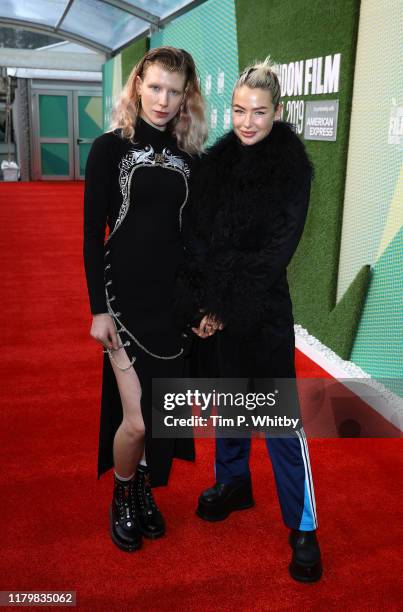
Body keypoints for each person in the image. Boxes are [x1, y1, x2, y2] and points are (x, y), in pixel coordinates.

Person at [183, 58, 322, 582]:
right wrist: (202, 306)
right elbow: (199, 239)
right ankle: (234, 482)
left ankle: (303, 527)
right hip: (218, 309)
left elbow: (274, 254)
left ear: (278, 112)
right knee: (228, 401)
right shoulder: (216, 165)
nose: (246, 122)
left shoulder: (293, 171)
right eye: (239, 110)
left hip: (263, 314)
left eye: (258, 112)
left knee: (281, 423)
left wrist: (222, 306)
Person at [83, 46, 207, 552]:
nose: (163, 100)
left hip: (171, 306)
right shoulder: (109, 148)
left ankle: (141, 491)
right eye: (155, 87)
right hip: (124, 302)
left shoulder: (191, 159)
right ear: (137, 85)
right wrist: (97, 308)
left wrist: (199, 304)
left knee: (161, 417)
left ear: (186, 98)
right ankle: (122, 493)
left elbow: (194, 241)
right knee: (136, 419)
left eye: (174, 92)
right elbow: (94, 233)